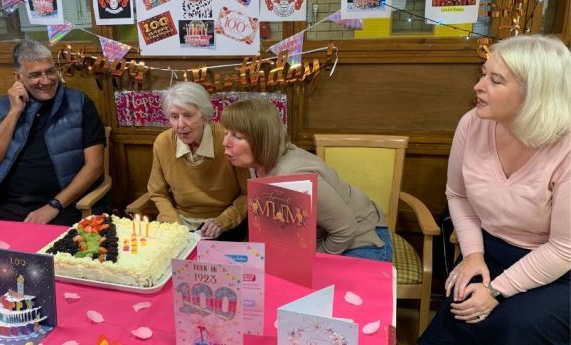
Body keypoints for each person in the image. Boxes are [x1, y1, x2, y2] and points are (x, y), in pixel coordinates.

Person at [419, 35, 571, 344]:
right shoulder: (471, 124)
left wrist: (495, 290)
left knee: (516, 327)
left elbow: (563, 249)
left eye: (495, 80)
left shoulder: (566, 147)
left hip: (558, 272)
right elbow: (458, 196)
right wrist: (474, 255)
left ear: (534, 95)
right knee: (459, 310)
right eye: (483, 74)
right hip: (490, 251)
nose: (478, 85)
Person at [220, 98, 392, 261]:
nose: (225, 142)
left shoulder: (292, 175)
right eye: (226, 132)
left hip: (362, 238)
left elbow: (345, 229)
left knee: (315, 290)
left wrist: (313, 263)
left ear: (262, 140)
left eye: (237, 136)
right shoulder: (256, 163)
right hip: (319, 238)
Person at [0, 40, 106, 226]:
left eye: (50, 71)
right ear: (18, 78)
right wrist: (14, 112)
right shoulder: (4, 106)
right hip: (8, 202)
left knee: (51, 251)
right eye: (35, 75)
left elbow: (94, 167)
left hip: (63, 203)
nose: (46, 80)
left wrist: (54, 205)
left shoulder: (79, 103)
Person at [147, 82, 249, 240]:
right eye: (174, 117)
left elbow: (248, 194)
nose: (180, 124)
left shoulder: (227, 140)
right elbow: (157, 192)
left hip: (221, 222)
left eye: (188, 115)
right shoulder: (163, 142)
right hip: (178, 222)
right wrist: (175, 224)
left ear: (205, 115)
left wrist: (222, 221)